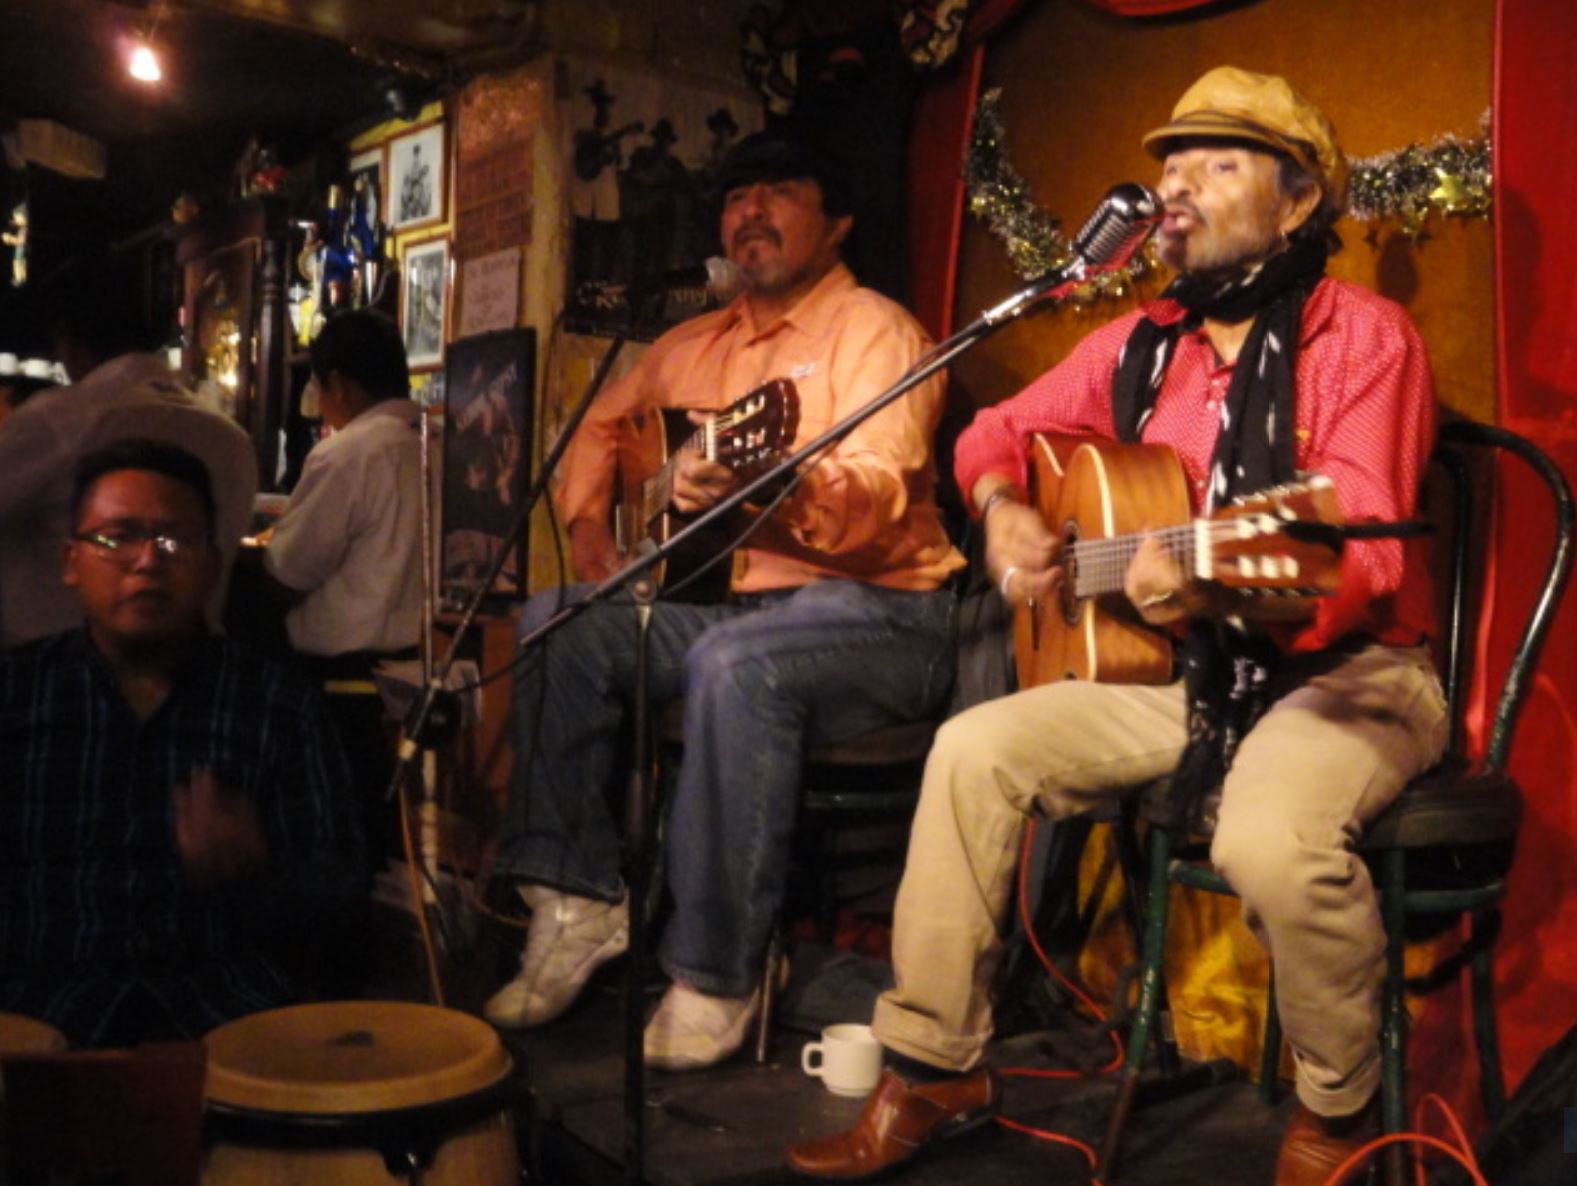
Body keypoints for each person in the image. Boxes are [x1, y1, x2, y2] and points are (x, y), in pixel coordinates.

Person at [785, 67, 1445, 1186]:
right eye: (1169, 164)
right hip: (1192, 671)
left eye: (1216, 163)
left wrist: (1208, 579)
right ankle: (934, 1066)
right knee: (971, 750)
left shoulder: (1363, 337)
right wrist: (1001, 508)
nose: (1175, 185)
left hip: (1347, 671)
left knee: (1266, 840)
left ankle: (1338, 1111)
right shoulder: (1142, 341)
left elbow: (1365, 550)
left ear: (1296, 200)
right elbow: (992, 431)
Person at [486, 133, 966, 1072]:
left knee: (732, 663)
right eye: (737, 194)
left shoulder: (876, 331)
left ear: (836, 223)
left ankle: (715, 972)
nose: (750, 209)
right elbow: (596, 426)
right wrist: (591, 529)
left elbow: (875, 493)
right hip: (729, 609)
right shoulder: (685, 347)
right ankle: (577, 901)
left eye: (779, 190)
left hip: (880, 614)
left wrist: (774, 489)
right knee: (556, 622)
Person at [0, 438, 366, 1048]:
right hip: (35, 1022)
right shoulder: (16, 695)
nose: (147, 560)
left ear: (213, 565)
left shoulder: (276, 706)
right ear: (71, 560)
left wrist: (255, 868)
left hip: (226, 1021)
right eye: (117, 537)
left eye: (175, 540)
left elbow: (340, 904)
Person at [0, 277, 257, 648]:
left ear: (68, 340)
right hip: (196, 663)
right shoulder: (232, 436)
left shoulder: (62, 420)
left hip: (60, 664)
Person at [259, 309, 422, 852]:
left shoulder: (349, 453)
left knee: (334, 843)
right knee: (387, 847)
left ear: (339, 385)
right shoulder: (441, 440)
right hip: (417, 673)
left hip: (340, 691)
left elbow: (287, 572)